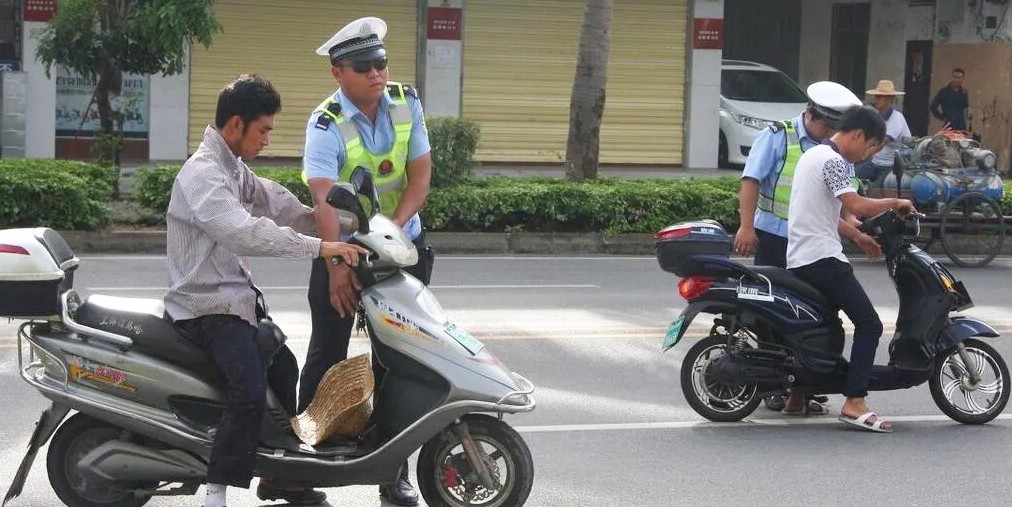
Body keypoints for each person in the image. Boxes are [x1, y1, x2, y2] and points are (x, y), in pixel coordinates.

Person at [163, 74, 368, 507]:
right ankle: (215, 490)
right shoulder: (203, 175)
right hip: (206, 310)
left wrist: (347, 226)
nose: (267, 140)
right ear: (236, 125)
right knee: (249, 391)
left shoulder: (232, 169)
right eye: (263, 131)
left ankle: (279, 475)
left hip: (235, 305)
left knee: (285, 367)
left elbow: (276, 204)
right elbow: (246, 233)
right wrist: (320, 247)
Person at [299, 16, 434, 507]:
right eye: (363, 66)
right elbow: (322, 202)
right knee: (327, 354)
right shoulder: (326, 122)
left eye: (380, 62)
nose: (377, 73)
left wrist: (392, 232)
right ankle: (298, 472)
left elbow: (419, 179)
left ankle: (393, 476)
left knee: (398, 363)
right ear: (339, 72)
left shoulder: (406, 102)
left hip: (400, 247)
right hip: (344, 249)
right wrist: (338, 267)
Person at [733, 81, 871, 413]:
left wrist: (855, 231)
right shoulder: (779, 135)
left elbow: (841, 201)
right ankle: (774, 387)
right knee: (774, 315)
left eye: (834, 127)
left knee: (818, 317)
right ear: (809, 113)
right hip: (775, 239)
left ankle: (803, 389)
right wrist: (746, 226)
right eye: (824, 125)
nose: (828, 132)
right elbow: (751, 180)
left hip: (814, 243)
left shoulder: (836, 151)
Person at [786, 105, 916, 433]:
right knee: (870, 324)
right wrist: (895, 202)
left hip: (803, 257)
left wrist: (859, 236)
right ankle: (854, 401)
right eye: (871, 146)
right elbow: (856, 205)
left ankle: (797, 396)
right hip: (822, 259)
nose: (868, 154)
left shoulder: (812, 156)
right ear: (858, 135)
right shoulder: (833, 161)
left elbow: (825, 215)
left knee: (826, 329)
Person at [855, 80, 911, 186]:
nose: (876, 100)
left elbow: (881, 143)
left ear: (889, 100)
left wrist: (861, 157)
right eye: (876, 97)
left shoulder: (897, 118)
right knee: (851, 177)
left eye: (880, 97)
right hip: (875, 163)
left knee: (874, 191)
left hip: (891, 166)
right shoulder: (876, 116)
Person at [930, 68, 970, 132]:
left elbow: (966, 108)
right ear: (952, 78)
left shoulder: (963, 92)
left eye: (959, 78)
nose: (957, 80)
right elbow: (933, 106)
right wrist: (942, 117)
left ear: (963, 79)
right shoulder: (943, 92)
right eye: (955, 77)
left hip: (961, 127)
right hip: (948, 126)